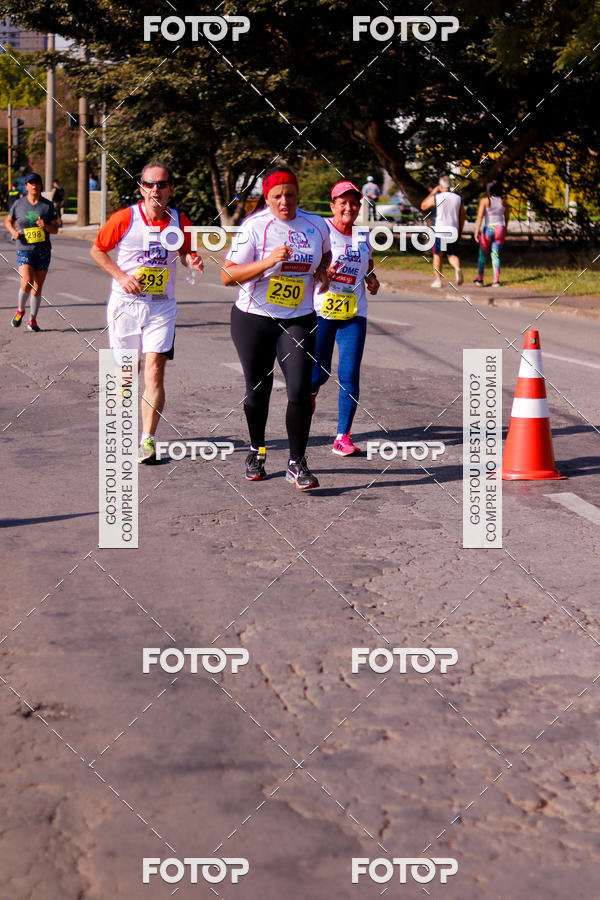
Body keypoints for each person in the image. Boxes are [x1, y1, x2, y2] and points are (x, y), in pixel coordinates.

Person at [221, 165, 331, 490]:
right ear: (266, 198)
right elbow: (227, 275)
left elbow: (324, 255)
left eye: (291, 194)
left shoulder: (316, 224)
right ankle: (256, 450)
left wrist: (323, 270)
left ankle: (297, 463)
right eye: (277, 196)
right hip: (254, 318)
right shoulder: (254, 227)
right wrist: (267, 262)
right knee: (258, 393)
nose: (285, 201)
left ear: (298, 195)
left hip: (298, 318)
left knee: (298, 389)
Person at [90, 161, 204, 464]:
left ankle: (147, 440)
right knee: (127, 373)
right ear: (142, 188)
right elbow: (97, 250)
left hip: (162, 305)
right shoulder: (125, 218)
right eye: (150, 184)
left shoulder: (180, 221)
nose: (156, 189)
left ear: (171, 189)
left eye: (162, 184)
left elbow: (186, 252)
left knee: (155, 368)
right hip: (126, 305)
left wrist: (192, 260)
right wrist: (121, 277)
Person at [311, 180, 379, 456]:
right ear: (333, 206)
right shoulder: (322, 231)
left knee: (349, 374)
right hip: (322, 310)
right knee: (320, 371)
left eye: (353, 203)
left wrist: (372, 278)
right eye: (343, 202)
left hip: (354, 311)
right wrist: (323, 274)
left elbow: (368, 263)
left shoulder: (362, 235)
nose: (348, 207)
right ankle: (309, 394)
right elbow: (309, 266)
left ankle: (343, 436)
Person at [4, 173, 59, 332]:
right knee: (27, 280)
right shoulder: (19, 204)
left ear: (41, 186)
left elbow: (55, 229)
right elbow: (7, 220)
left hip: (43, 250)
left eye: (37, 183)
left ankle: (32, 320)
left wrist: (46, 227)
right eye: (31, 183)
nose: (34, 186)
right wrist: (13, 232)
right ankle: (20, 309)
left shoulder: (47, 206)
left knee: (37, 287)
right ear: (26, 186)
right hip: (24, 248)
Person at [420, 175, 465, 287]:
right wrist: (460, 231)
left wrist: (433, 192)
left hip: (440, 230)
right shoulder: (458, 199)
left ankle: (438, 280)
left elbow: (423, 206)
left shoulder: (437, 197)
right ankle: (457, 268)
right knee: (452, 254)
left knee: (438, 255)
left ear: (440, 185)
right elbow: (462, 216)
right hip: (453, 229)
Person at [473, 181, 510, 287]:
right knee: (496, 255)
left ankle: (480, 279)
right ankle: (496, 281)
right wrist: (505, 228)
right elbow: (507, 216)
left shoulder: (485, 201)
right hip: (500, 228)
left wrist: (476, 231)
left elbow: (480, 216)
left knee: (482, 255)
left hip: (488, 229)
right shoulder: (503, 201)